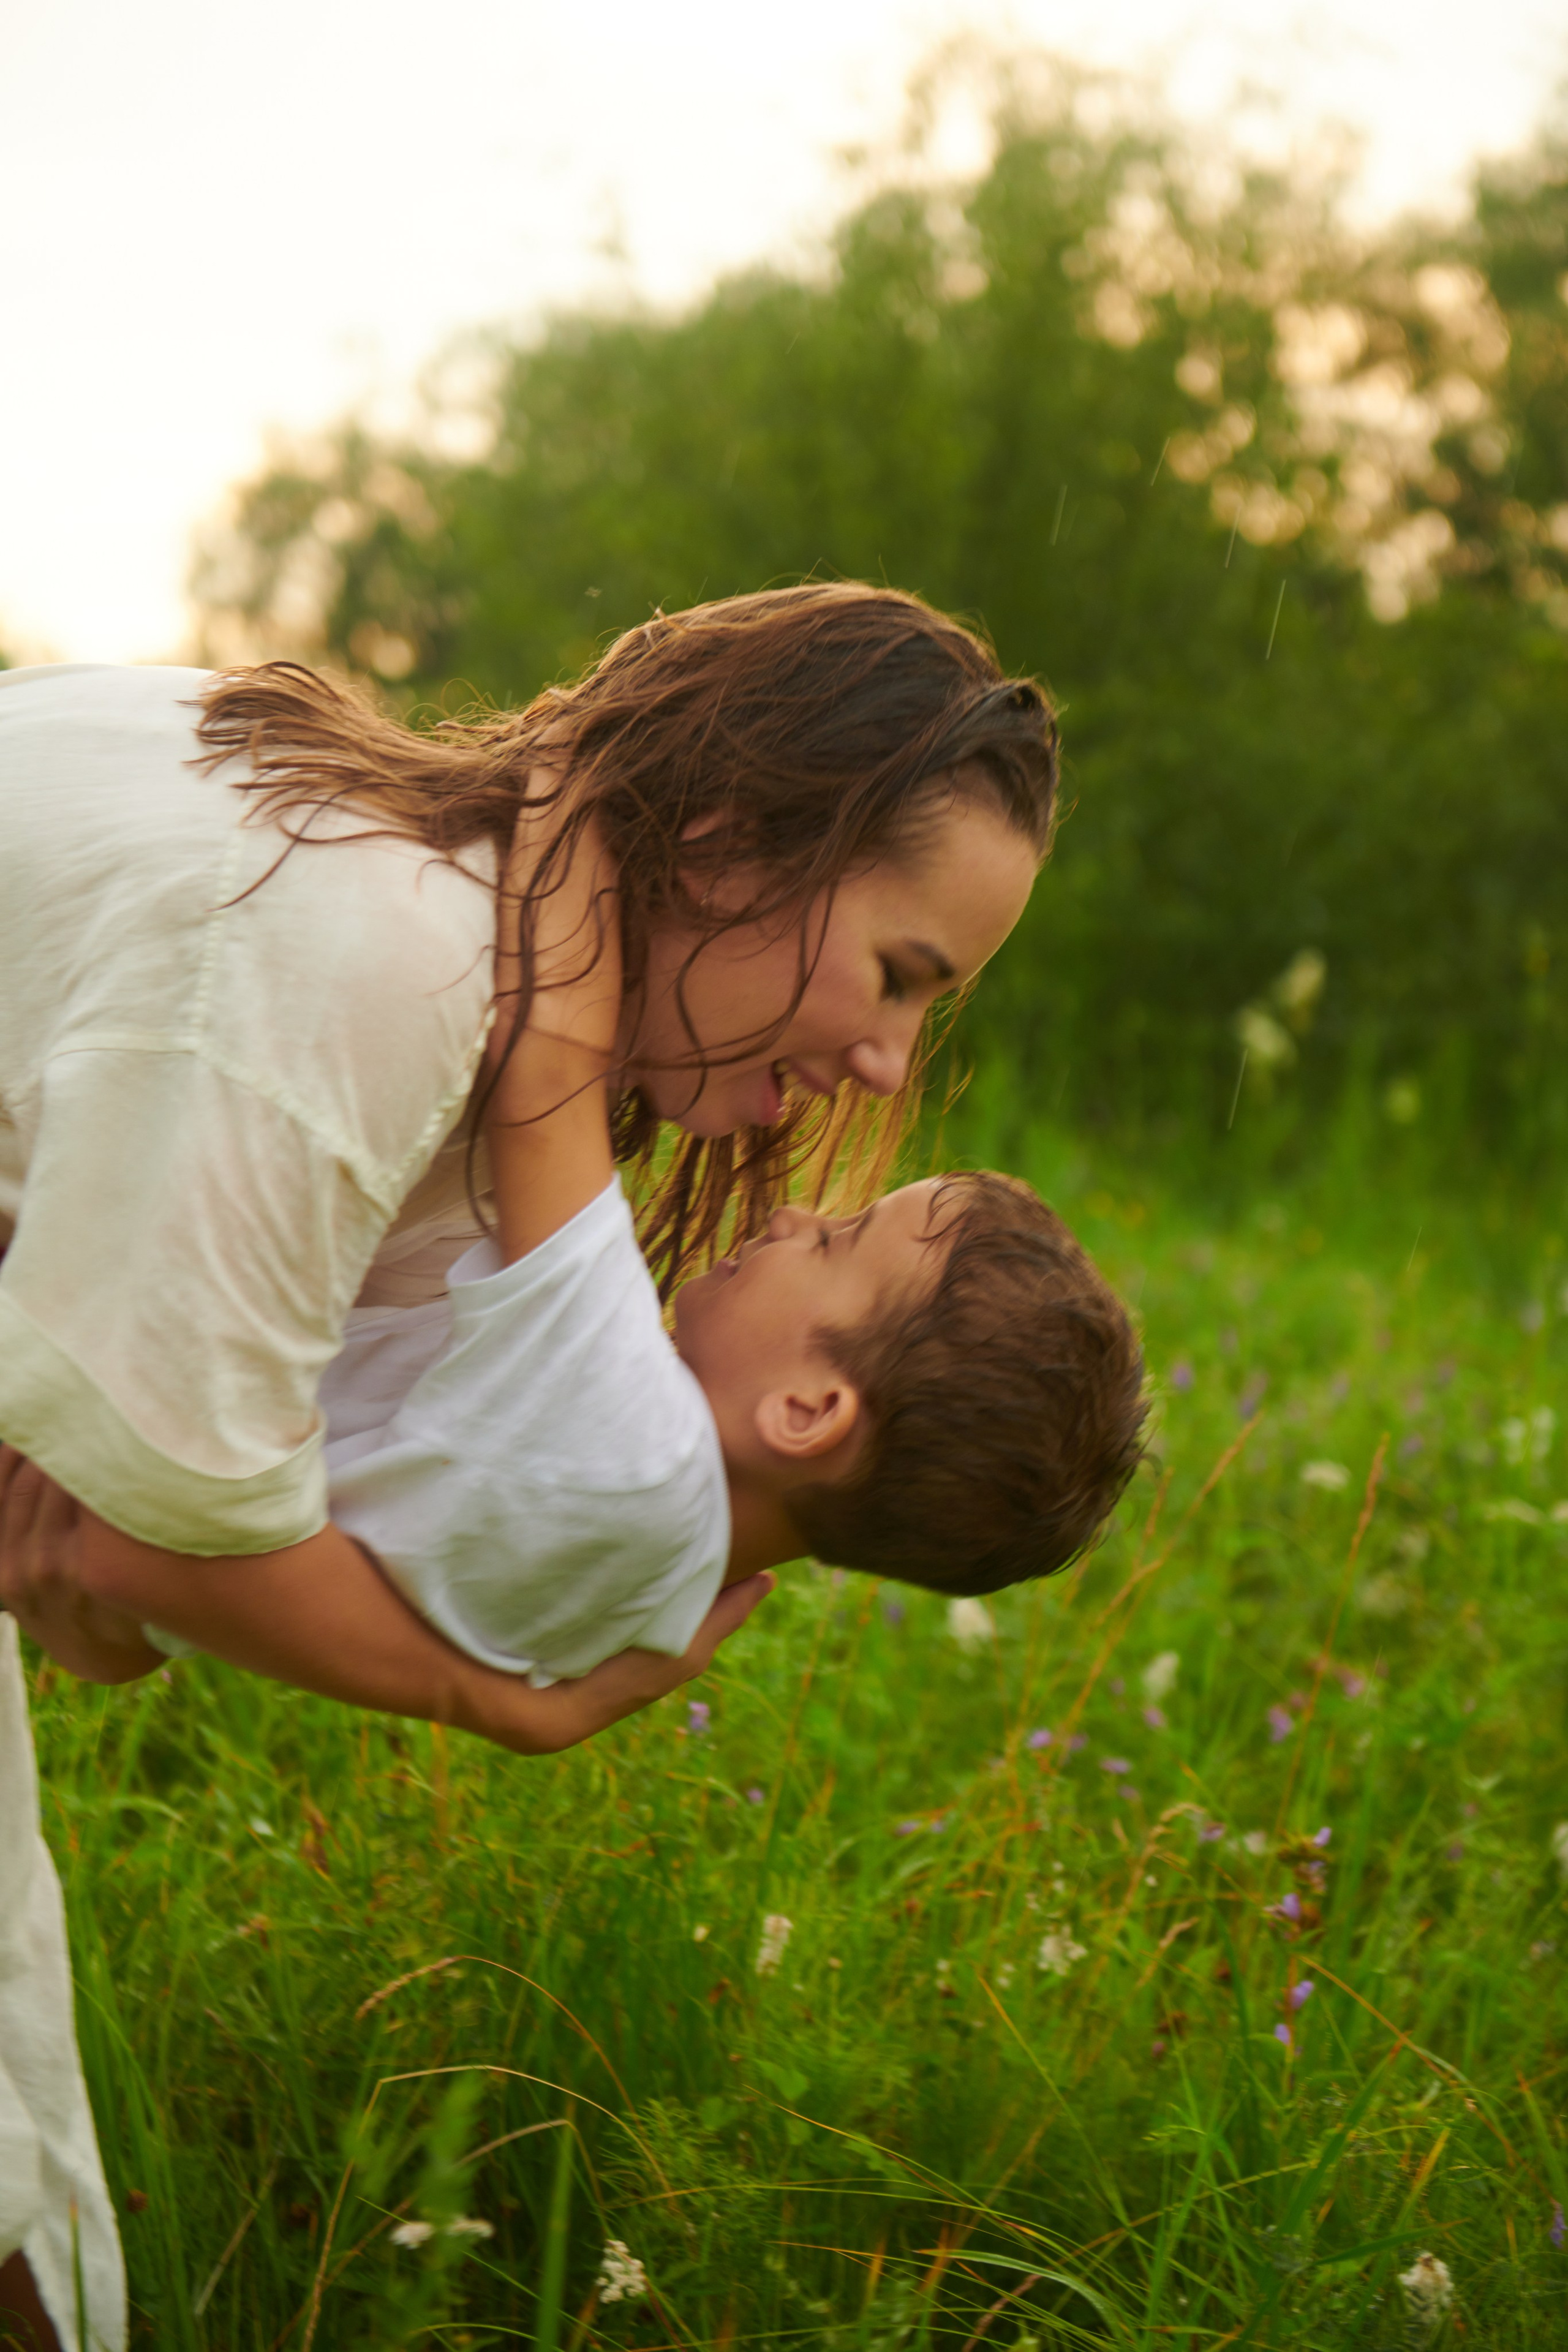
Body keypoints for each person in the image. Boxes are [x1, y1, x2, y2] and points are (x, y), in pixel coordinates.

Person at [0, 582, 1061, 2346]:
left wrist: (127, 1548)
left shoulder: (457, 989)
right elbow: (163, 1514)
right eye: (899, 975)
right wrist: (501, 1703)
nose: (889, 1063)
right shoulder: (384, 957)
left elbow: (130, 1510)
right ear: (729, 844)